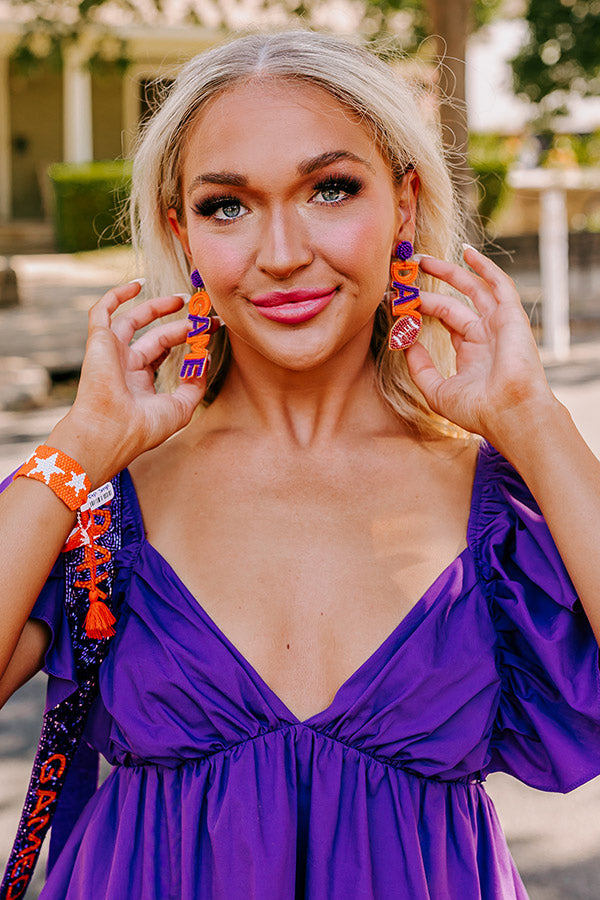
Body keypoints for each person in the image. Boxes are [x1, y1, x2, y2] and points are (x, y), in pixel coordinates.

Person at [1, 28, 600, 900]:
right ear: (182, 229)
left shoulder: (503, 506)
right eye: (227, 206)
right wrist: (80, 443)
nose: (281, 253)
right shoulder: (100, 503)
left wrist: (532, 422)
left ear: (404, 200)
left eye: (330, 189)